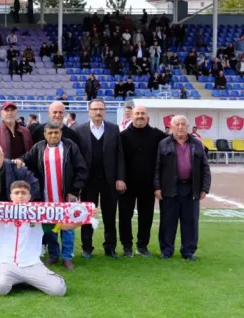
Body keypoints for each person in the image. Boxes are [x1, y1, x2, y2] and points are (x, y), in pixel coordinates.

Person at [14, 122, 88, 269]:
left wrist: (74, 191)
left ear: (61, 133)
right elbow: (27, 158)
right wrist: (20, 160)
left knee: (67, 228)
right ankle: (54, 255)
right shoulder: (39, 147)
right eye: (50, 133)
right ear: (45, 134)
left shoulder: (70, 146)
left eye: (56, 132)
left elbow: (81, 169)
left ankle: (67, 257)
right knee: (49, 229)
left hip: (67, 197)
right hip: (46, 198)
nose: (54, 135)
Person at [0, 181, 71, 297]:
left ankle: (30, 280)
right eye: (16, 193)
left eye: (23, 193)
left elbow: (65, 226)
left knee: (59, 290)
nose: (20, 196)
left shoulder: (40, 215)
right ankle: (17, 280)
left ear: (29, 197)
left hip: (32, 265)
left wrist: (85, 217)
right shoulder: (0, 214)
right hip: (8, 265)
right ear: (11, 196)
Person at [155, 115, 211, 261]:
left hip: (191, 188)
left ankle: (188, 251)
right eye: (177, 124)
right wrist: (157, 187)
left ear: (188, 126)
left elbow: (205, 167)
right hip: (169, 188)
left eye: (183, 124)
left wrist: (204, 188)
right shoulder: (163, 144)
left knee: (190, 222)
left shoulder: (197, 144)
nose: (180, 127)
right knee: (168, 221)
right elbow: (157, 168)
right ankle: (166, 250)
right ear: (171, 126)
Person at [75, 99, 126, 259]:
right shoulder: (80, 130)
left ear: (105, 111)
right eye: (95, 109)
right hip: (88, 180)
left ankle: (110, 247)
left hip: (109, 180)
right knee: (87, 215)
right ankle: (87, 248)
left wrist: (120, 178)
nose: (98, 112)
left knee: (110, 215)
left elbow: (119, 156)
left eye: (101, 109)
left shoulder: (113, 129)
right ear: (89, 111)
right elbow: (78, 158)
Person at [119, 105, 167, 258]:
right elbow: (118, 160)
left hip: (148, 184)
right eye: (137, 113)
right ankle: (127, 246)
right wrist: (120, 179)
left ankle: (142, 246)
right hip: (127, 184)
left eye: (142, 114)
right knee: (125, 216)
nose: (140, 116)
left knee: (146, 217)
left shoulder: (157, 135)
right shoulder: (123, 136)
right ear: (131, 116)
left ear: (147, 116)